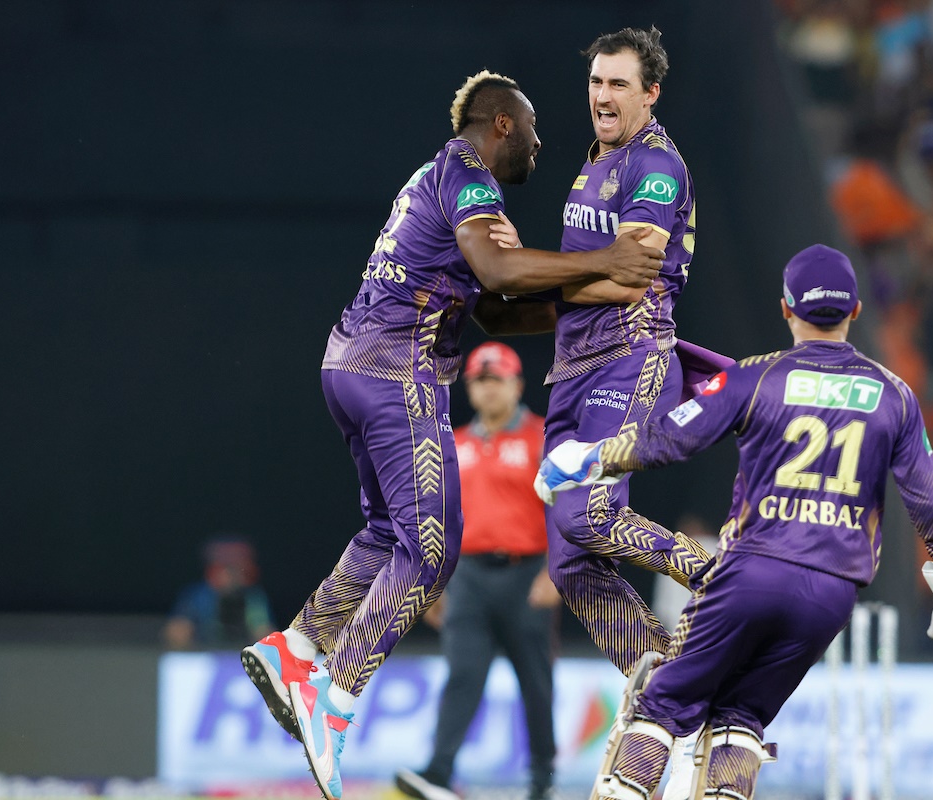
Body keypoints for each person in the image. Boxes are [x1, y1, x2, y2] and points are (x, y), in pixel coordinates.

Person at [238, 70, 664, 800]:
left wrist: (591, 309)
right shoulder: (469, 172)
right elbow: (501, 269)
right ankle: (332, 701)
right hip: (396, 372)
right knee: (434, 550)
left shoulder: (440, 178)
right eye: (531, 127)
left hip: (349, 363)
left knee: (384, 533)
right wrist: (606, 262)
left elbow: (497, 309)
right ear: (501, 123)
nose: (540, 140)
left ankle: (298, 644)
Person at [536, 244, 933, 800]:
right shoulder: (895, 397)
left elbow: (670, 438)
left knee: (661, 703)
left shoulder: (757, 377)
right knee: (741, 717)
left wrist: (591, 456)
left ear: (785, 308)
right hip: (831, 593)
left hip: (751, 572)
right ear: (855, 311)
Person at [541, 25, 714, 680]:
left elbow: (634, 273)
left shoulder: (656, 165)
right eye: (596, 82)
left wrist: (532, 277)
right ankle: (655, 673)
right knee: (567, 555)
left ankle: (715, 573)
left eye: (618, 84)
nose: (602, 95)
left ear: (651, 95)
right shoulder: (598, 159)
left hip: (630, 356)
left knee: (589, 515)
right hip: (572, 370)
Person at [394, 342, 558, 800]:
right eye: (479, 382)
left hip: (527, 574)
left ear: (517, 385)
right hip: (467, 576)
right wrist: (432, 584)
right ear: (468, 387)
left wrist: (555, 571)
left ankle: (542, 778)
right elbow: (437, 519)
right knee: (462, 673)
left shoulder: (543, 438)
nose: (487, 390)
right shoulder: (454, 443)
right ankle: (439, 773)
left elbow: (565, 513)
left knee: (535, 680)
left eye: (496, 380)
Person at [164, 537, 275, 650]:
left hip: (240, 655)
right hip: (203, 654)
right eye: (227, 569)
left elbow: (263, 631)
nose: (233, 576)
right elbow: (176, 632)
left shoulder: (253, 597)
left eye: (237, 569)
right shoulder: (196, 595)